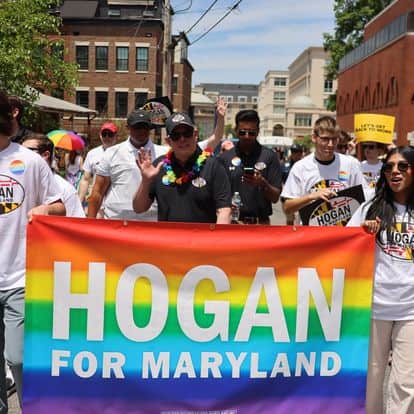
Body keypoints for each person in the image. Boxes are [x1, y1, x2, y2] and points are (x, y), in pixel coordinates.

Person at [0, 91, 65, 412]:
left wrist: (44, 209)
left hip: (21, 276)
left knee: (17, 357)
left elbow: (60, 205)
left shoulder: (28, 161)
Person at [347, 146, 414, 414]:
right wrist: (363, 234)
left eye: (402, 166)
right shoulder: (369, 208)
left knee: (406, 382)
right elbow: (342, 247)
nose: (394, 172)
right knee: (371, 378)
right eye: (389, 167)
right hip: (374, 306)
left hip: (411, 310)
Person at [133, 112, 232, 224]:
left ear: (195, 135)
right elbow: (139, 208)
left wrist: (217, 239)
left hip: (203, 240)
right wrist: (146, 180)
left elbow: (224, 211)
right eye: (176, 135)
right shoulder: (159, 166)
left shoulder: (214, 166)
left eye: (187, 133)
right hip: (168, 239)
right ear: (169, 141)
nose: (182, 139)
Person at [281, 116, 366, 220]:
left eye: (334, 139)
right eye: (325, 139)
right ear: (314, 137)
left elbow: (365, 198)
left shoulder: (351, 164)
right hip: (312, 234)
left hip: (343, 233)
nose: (330, 144)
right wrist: (311, 196)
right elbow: (287, 208)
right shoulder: (300, 167)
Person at [88, 110, 166, 220]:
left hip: (152, 223)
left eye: (145, 127)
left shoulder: (164, 154)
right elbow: (98, 192)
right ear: (128, 128)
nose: (141, 131)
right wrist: (89, 224)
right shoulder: (111, 153)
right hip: (116, 223)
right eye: (137, 127)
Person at [219, 109, 282, 224]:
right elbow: (218, 195)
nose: (247, 136)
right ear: (236, 131)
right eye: (243, 132)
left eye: (251, 133)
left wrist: (263, 183)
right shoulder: (225, 158)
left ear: (258, 132)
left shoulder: (269, 156)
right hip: (233, 224)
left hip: (261, 225)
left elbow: (275, 197)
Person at [21, 134, 85, 218]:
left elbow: (76, 223)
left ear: (45, 155)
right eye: (20, 151)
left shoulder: (65, 188)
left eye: (28, 151)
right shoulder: (16, 182)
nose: (21, 155)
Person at [78, 122, 118, 209]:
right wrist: (79, 201)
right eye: (104, 134)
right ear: (100, 135)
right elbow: (85, 179)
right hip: (97, 201)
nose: (107, 137)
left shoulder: (122, 153)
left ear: (115, 136)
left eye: (110, 134)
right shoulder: (92, 153)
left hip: (115, 203)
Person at [282, 144, 304, 225]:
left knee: (299, 219)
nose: (295, 154)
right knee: (289, 219)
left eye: (297, 152)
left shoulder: (304, 166)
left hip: (300, 197)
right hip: (288, 197)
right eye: (293, 152)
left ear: (301, 153)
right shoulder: (285, 165)